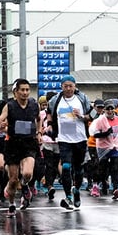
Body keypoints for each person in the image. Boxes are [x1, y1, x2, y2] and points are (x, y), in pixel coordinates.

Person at [0, 79, 42, 216]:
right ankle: (11, 204)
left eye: (27, 90)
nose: (25, 93)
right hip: (13, 144)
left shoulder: (34, 105)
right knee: (13, 180)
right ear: (16, 92)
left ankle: (25, 186)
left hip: (29, 143)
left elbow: (39, 119)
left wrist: (39, 132)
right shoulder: (10, 106)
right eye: (22, 90)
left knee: (27, 173)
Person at [47, 75, 91, 210]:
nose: (68, 89)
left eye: (70, 86)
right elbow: (49, 111)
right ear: (61, 87)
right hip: (64, 139)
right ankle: (68, 196)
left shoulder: (82, 98)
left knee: (78, 169)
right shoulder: (56, 99)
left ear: (75, 86)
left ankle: (76, 190)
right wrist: (49, 124)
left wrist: (82, 116)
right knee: (66, 167)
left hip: (80, 139)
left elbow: (94, 114)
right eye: (65, 86)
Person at [89, 100, 118, 200]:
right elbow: (94, 134)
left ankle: (115, 188)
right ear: (104, 110)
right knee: (101, 168)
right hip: (103, 146)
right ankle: (96, 185)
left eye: (111, 109)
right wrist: (105, 133)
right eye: (107, 109)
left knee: (115, 167)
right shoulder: (99, 120)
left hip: (115, 146)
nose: (110, 111)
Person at [39, 95, 60, 201]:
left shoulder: (59, 112)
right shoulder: (42, 113)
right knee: (49, 164)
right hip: (46, 141)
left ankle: (49, 183)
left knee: (55, 165)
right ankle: (49, 186)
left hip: (58, 141)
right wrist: (41, 132)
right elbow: (38, 125)